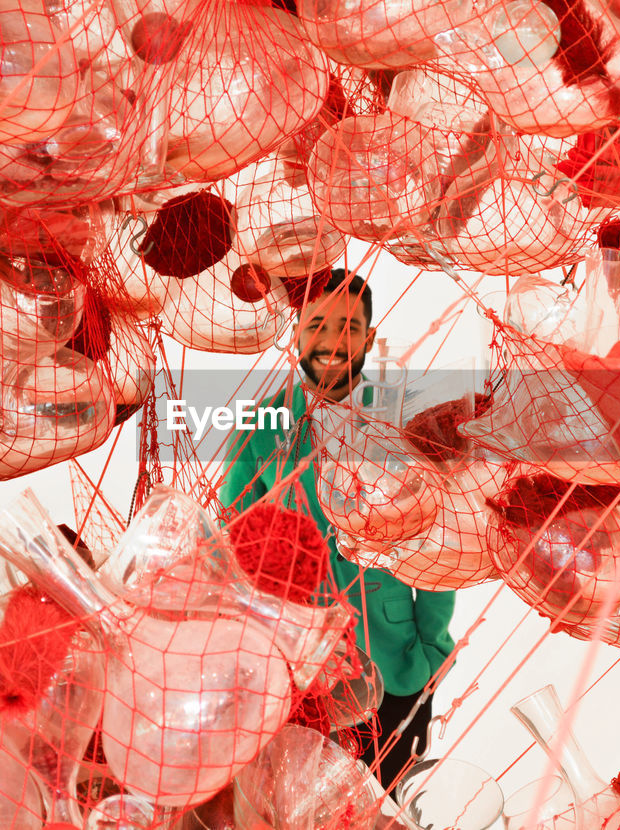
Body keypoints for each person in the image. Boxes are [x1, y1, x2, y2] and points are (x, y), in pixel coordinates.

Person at [218, 268, 456, 790]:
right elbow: (232, 532)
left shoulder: (402, 417)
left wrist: (430, 651)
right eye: (318, 323)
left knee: (384, 805)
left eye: (349, 326)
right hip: (298, 675)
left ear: (370, 338)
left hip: (395, 663)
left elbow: (444, 536)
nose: (331, 340)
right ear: (296, 331)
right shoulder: (263, 423)